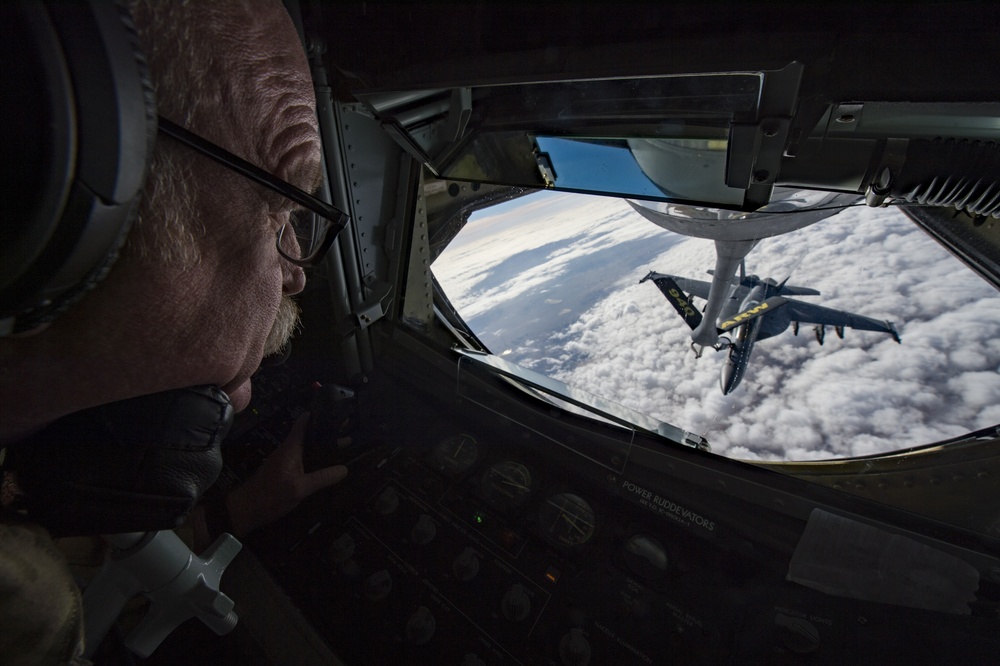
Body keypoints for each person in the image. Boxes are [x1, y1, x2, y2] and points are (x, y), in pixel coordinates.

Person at [0, 1, 348, 662]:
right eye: (281, 213)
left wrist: (228, 516)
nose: (297, 274)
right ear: (55, 170)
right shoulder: (23, 612)